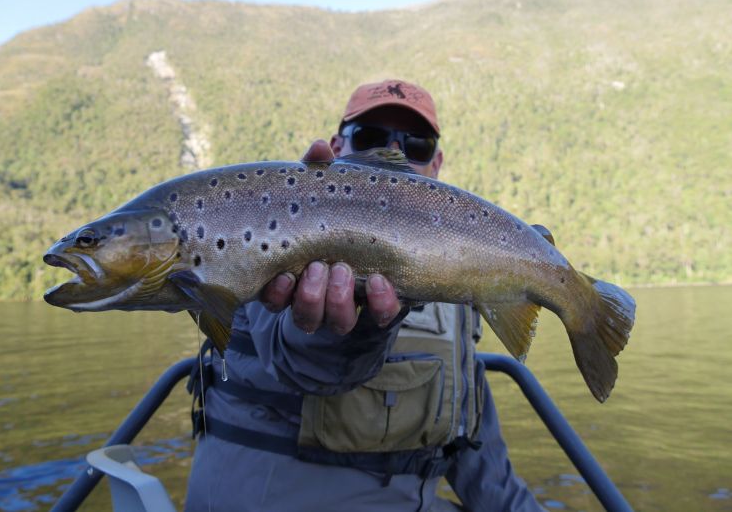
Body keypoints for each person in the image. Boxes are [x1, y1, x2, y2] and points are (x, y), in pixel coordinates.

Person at [185, 80, 543, 511]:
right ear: (337, 145)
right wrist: (357, 328)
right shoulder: (264, 231)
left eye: (416, 144)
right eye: (370, 137)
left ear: (437, 163)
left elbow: (478, 457)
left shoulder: (462, 293)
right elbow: (300, 360)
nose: (393, 152)